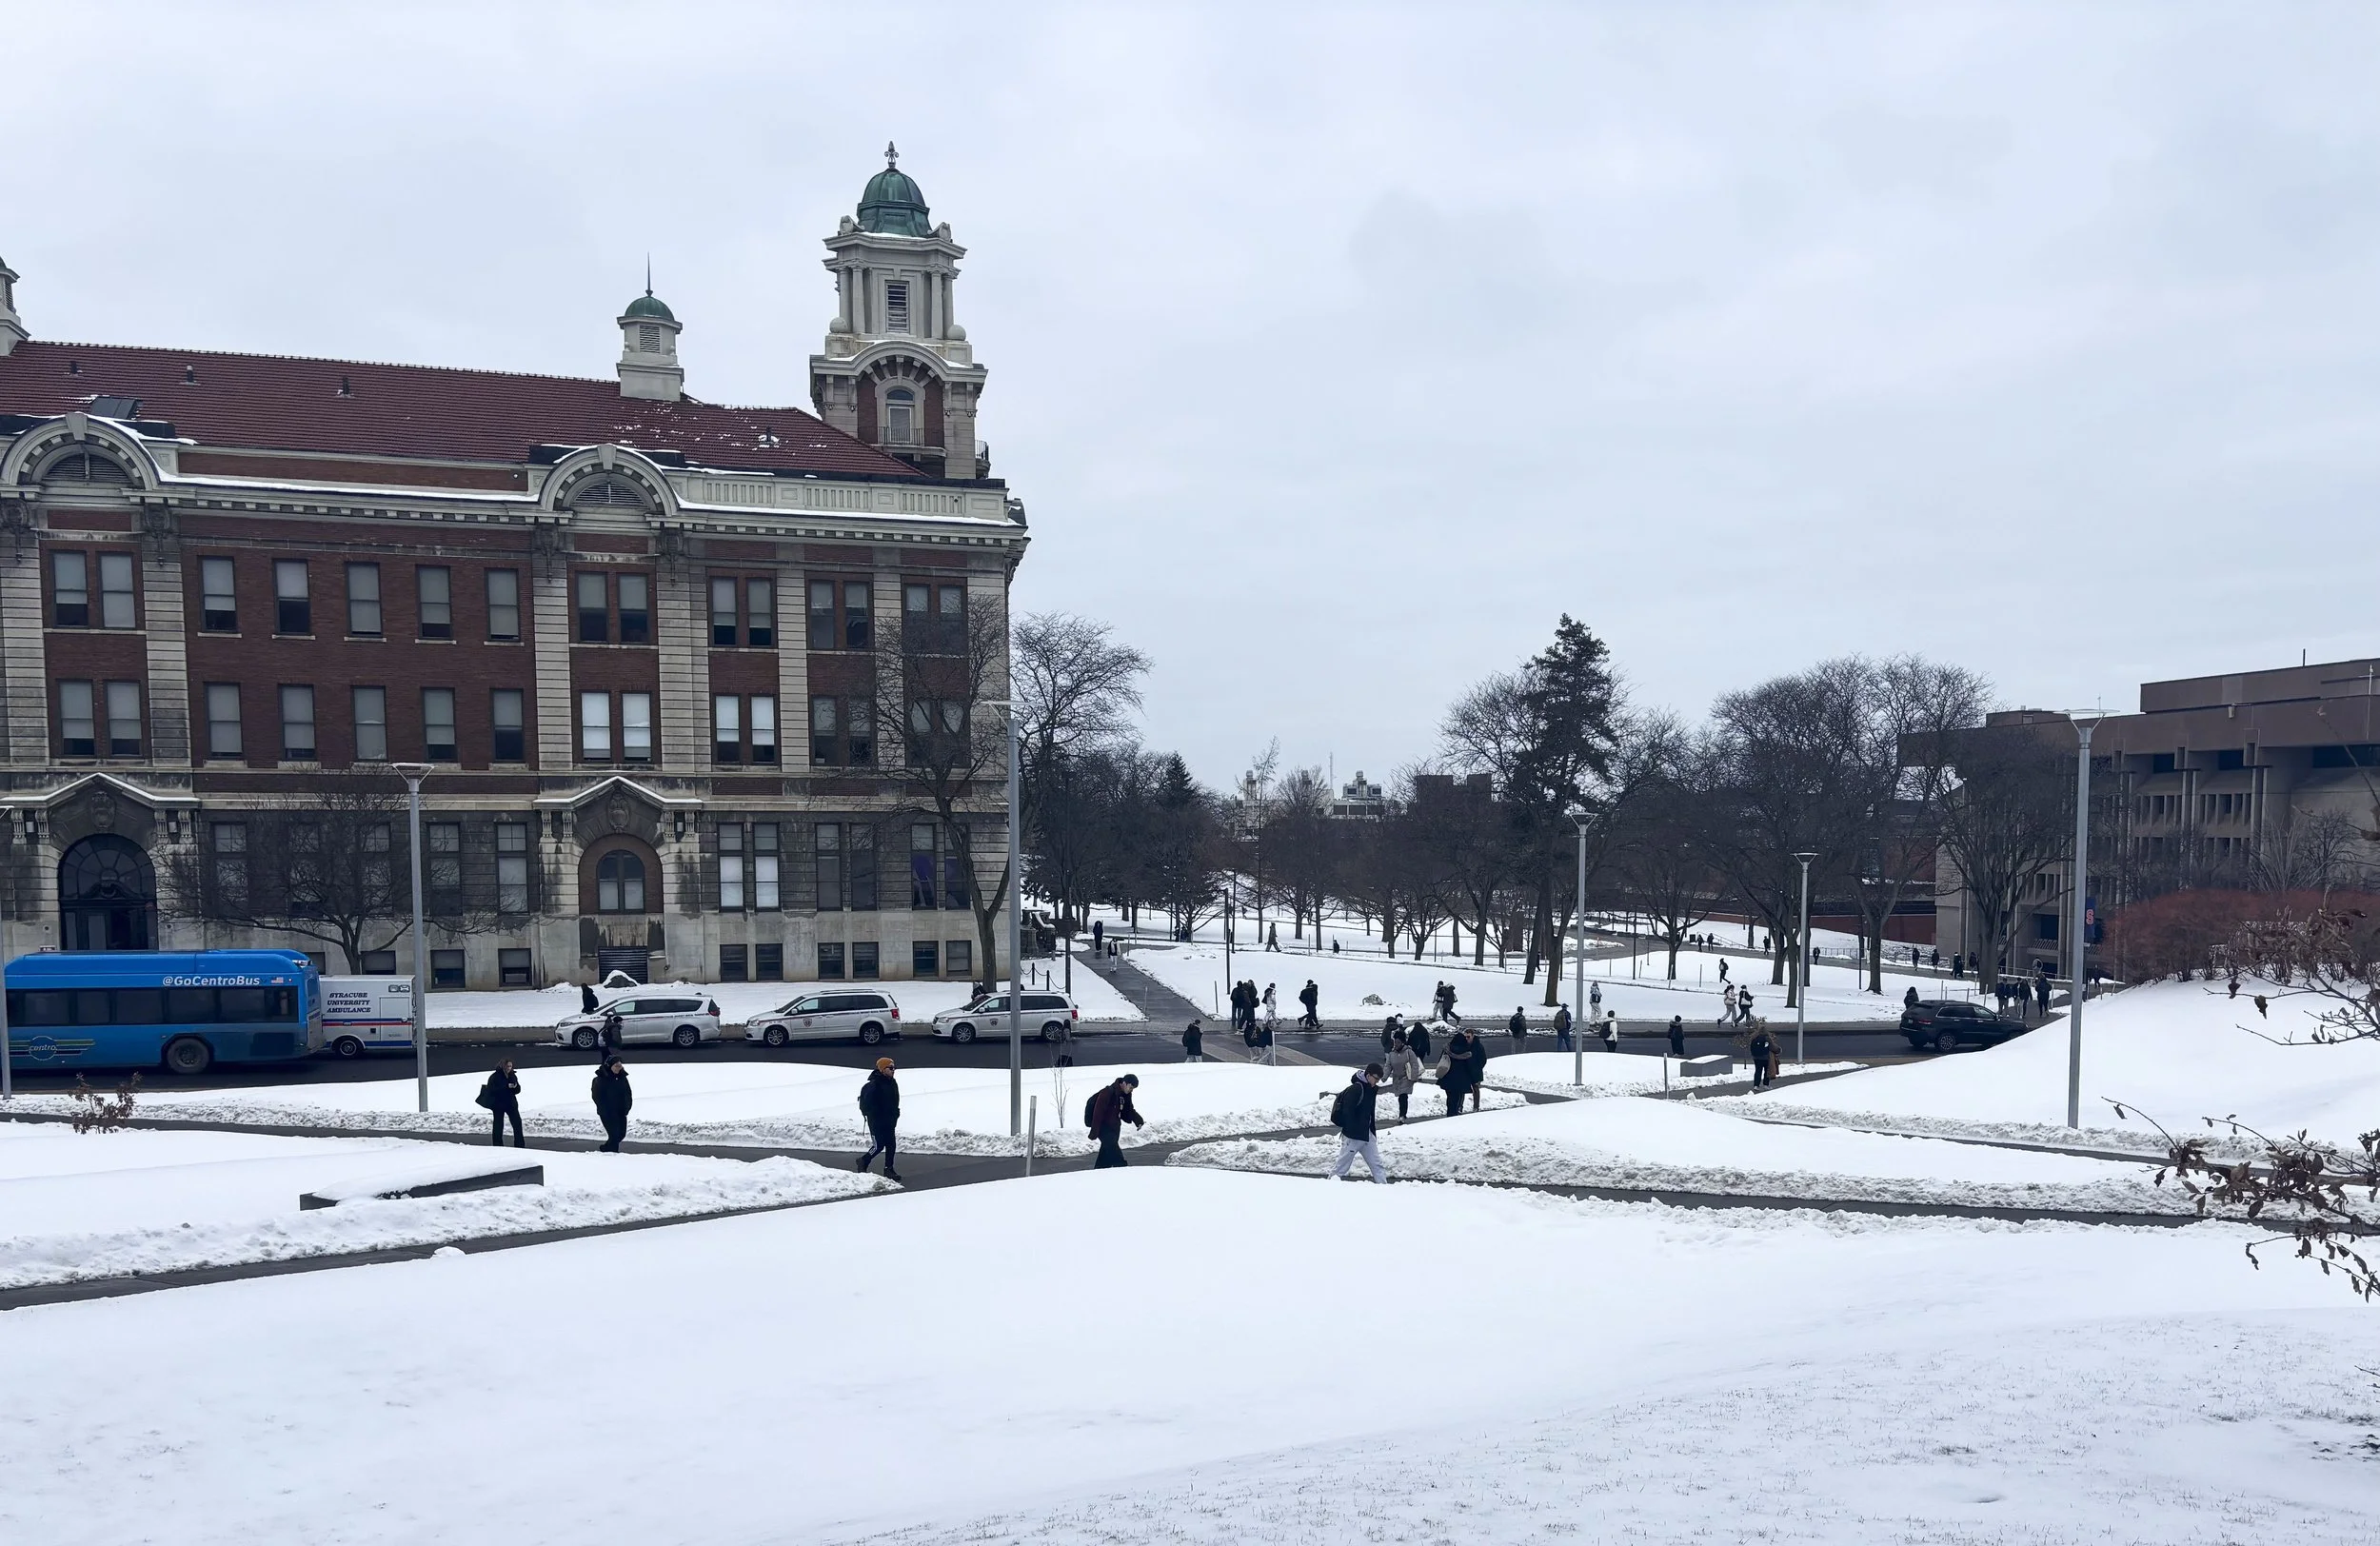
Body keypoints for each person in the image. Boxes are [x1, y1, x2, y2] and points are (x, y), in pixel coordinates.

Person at [1326, 1065, 1388, 1182]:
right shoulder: (1356, 1089)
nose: (1376, 1082)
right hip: (1353, 1136)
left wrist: (1371, 1132)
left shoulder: (1371, 1089)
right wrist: (1353, 1129)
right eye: (1376, 1078)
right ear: (1368, 1075)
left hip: (1367, 1134)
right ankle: (1329, 1186)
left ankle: (1384, 1189)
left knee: (1377, 1165)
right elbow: (1347, 1112)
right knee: (1341, 1167)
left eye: (1378, 1080)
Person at [855, 1057, 902, 1180]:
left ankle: (889, 1169)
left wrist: (895, 1113)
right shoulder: (874, 1085)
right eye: (890, 1068)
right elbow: (868, 1105)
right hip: (876, 1121)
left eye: (894, 1068)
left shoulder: (892, 1083)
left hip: (890, 1120)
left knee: (891, 1144)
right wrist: (876, 1115)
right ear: (882, 1069)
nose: (893, 1070)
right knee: (879, 1145)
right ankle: (864, 1160)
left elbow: (895, 1100)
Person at [1088, 1074, 1144, 1167]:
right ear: (1124, 1083)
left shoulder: (1125, 1095)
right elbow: (1098, 1113)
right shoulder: (1107, 1092)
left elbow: (1128, 1110)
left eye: (1133, 1088)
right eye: (1130, 1087)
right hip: (1103, 1127)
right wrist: (1094, 1131)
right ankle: (1123, 1170)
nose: (1131, 1090)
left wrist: (1138, 1120)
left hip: (1113, 1128)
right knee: (1114, 1151)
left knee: (1105, 1155)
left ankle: (1099, 1172)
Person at [1441, 1025, 1487, 1115]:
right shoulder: (1463, 1045)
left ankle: (1476, 1107)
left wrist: (1477, 1068)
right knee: (1461, 1089)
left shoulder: (1478, 1046)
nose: (1466, 1038)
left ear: (1473, 1036)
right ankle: (1460, 1107)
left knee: (1475, 1088)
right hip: (1465, 1071)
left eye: (1468, 1037)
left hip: (1475, 1071)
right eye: (1465, 1036)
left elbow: (1483, 1059)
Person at [479, 1060, 524, 1147]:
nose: (509, 1068)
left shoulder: (512, 1075)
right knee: (498, 1125)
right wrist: (506, 1086)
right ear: (503, 1066)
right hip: (498, 1104)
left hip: (511, 1103)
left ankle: (520, 1144)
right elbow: (492, 1090)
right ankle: (497, 1145)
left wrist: (515, 1087)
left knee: (517, 1123)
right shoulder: (495, 1076)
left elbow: (517, 1090)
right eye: (507, 1066)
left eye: (510, 1066)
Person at [591, 1057, 632, 1151]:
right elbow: (597, 1097)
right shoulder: (600, 1080)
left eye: (620, 1066)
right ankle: (613, 1156)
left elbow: (628, 1093)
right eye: (616, 1066)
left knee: (621, 1134)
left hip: (621, 1111)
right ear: (610, 1066)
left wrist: (627, 1106)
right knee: (614, 1135)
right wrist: (605, 1109)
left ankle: (606, 1149)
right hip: (607, 1113)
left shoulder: (622, 1078)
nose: (618, 1068)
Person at [1382, 1032, 1422, 1121]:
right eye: (1395, 1042)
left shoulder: (1409, 1052)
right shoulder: (1392, 1054)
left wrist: (1413, 1077)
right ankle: (1402, 1114)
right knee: (1400, 1096)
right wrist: (1385, 1076)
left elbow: (1414, 1065)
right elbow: (1388, 1065)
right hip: (1397, 1078)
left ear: (1403, 1043)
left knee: (1403, 1096)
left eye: (1398, 1042)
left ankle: (1402, 1115)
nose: (1396, 1045)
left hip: (1406, 1077)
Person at [1746, 1025, 1776, 1091]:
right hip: (1765, 1057)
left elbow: (1751, 1047)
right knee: (1767, 1071)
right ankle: (1766, 1084)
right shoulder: (1767, 1038)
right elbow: (1773, 1047)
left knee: (1758, 1071)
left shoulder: (1754, 1038)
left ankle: (1756, 1085)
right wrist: (1779, 1050)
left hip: (1756, 1058)